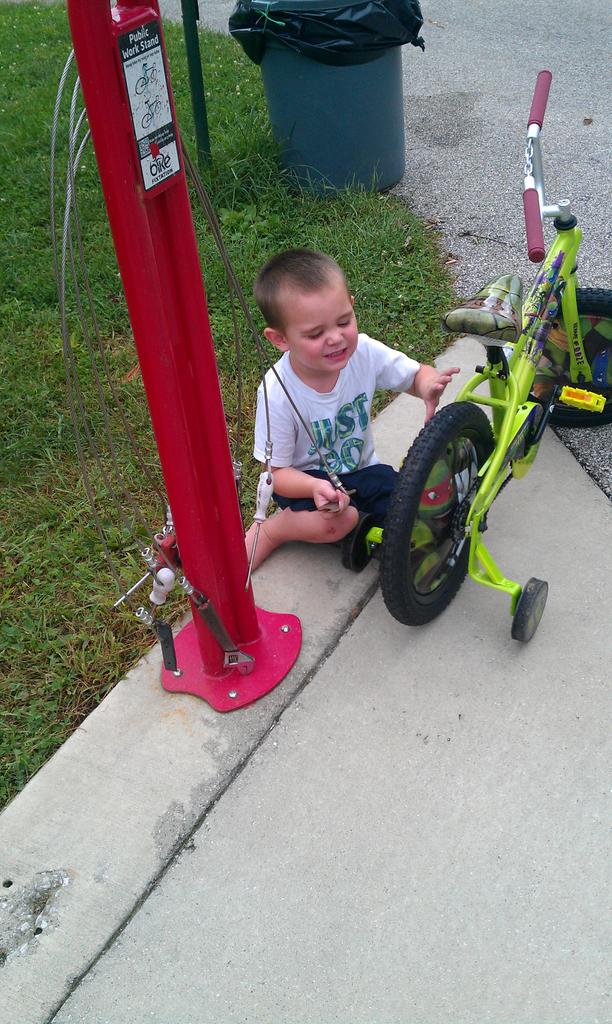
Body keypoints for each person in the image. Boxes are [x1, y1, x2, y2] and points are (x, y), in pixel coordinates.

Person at [245, 248, 460, 570]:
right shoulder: (277, 392)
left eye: (344, 321)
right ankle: (277, 530)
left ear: (352, 308)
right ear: (280, 339)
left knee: (419, 505)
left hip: (362, 472)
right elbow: (276, 475)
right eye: (316, 333)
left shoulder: (364, 353)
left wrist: (428, 384)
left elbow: (416, 374)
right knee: (337, 523)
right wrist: (317, 487)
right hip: (305, 482)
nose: (335, 338)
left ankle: (362, 521)